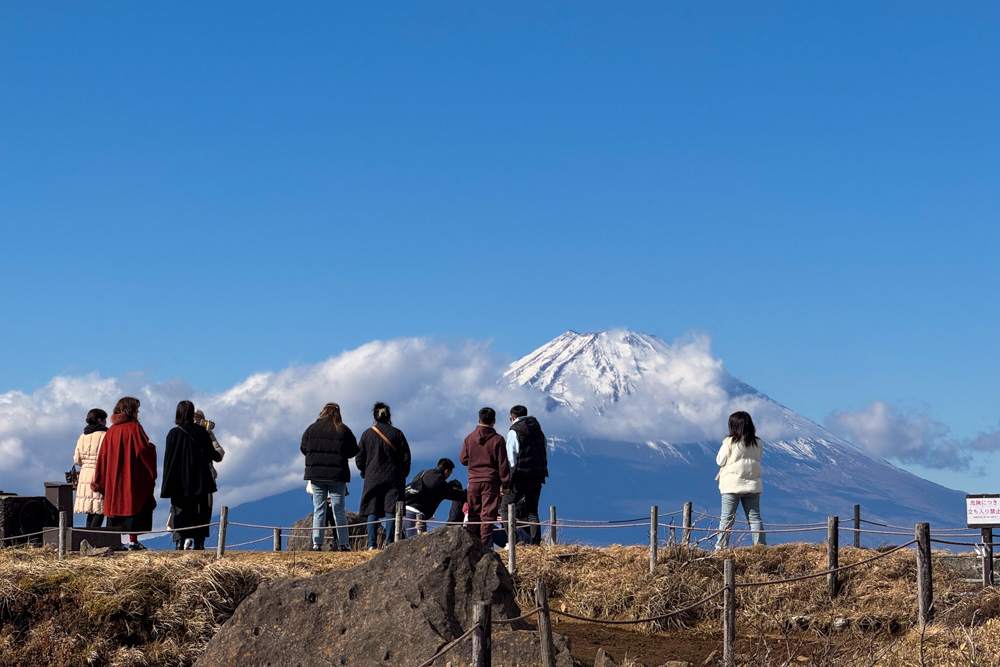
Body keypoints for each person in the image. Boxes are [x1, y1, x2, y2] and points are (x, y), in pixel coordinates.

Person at [91, 397, 157, 551]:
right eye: (136, 409)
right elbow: (143, 451)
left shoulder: (111, 431)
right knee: (133, 508)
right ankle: (133, 542)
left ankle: (116, 543)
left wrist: (100, 480)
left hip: (114, 480)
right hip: (131, 479)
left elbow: (103, 456)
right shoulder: (135, 428)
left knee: (116, 511)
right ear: (130, 410)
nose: (138, 412)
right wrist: (151, 448)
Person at [162, 400, 222, 550]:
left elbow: (168, 460)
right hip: (199, 480)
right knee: (200, 511)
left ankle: (179, 541)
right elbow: (213, 454)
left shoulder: (173, 434)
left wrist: (167, 483)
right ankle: (199, 542)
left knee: (179, 510)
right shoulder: (201, 432)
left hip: (179, 481)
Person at [301, 402, 359, 552]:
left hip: (316, 476)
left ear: (323, 412)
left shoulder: (312, 429)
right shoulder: (343, 430)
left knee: (319, 510)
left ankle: (316, 544)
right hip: (337, 476)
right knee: (339, 510)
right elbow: (354, 450)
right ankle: (344, 544)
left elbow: (303, 448)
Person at [356, 402, 411, 550]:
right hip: (394, 477)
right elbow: (406, 458)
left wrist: (365, 472)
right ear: (389, 416)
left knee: (372, 511)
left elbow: (359, 458)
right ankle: (390, 544)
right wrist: (402, 473)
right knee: (391, 510)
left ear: (375, 417)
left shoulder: (367, 434)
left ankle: (371, 545)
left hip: (372, 477)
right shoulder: (397, 433)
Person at [714, 410, 766, 550]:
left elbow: (720, 460)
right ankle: (760, 547)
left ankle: (721, 548)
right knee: (755, 518)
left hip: (731, 486)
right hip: (753, 486)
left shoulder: (729, 442)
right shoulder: (757, 442)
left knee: (727, 519)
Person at [460, 407, 510, 547]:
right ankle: (484, 545)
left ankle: (471, 544)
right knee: (488, 515)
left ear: (479, 420)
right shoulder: (498, 439)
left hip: (473, 480)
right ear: (494, 421)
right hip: (491, 481)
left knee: (473, 513)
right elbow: (503, 464)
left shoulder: (469, 438)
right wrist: (505, 483)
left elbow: (463, 459)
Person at [500, 405, 548, 545]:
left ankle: (513, 540)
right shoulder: (539, 431)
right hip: (537, 475)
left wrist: (507, 480)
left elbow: (511, 458)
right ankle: (535, 542)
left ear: (513, 418)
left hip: (520, 476)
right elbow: (544, 452)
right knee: (532, 511)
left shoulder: (514, 432)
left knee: (506, 507)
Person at [402, 458, 467, 538]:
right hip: (415, 514)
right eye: (450, 473)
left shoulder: (423, 473)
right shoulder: (438, 482)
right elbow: (454, 494)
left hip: (404, 512)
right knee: (415, 545)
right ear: (446, 471)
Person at [73, 408, 108, 529]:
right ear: (100, 420)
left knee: (91, 508)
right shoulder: (105, 435)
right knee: (100, 508)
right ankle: (93, 537)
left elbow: (76, 459)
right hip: (99, 473)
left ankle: (86, 537)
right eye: (105, 420)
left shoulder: (82, 436)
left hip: (84, 474)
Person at [194, 408, 225, 507]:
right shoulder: (185, 434)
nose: (195, 421)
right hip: (193, 479)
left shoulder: (207, 434)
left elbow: (219, 453)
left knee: (205, 511)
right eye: (194, 419)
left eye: (198, 419)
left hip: (206, 478)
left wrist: (208, 434)